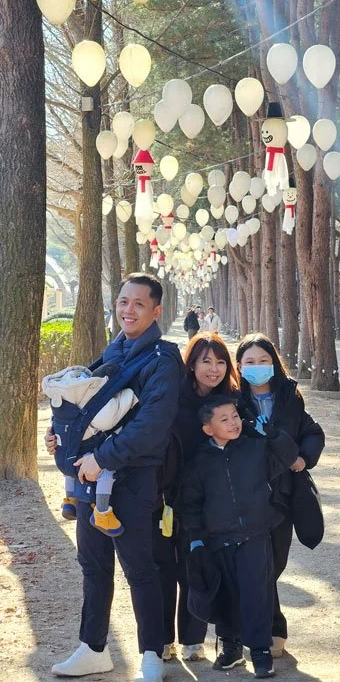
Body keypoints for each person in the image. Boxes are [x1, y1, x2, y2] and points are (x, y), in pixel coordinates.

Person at [47, 273, 184, 682]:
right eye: (123, 302)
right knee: (92, 565)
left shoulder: (162, 360)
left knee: (140, 568)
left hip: (134, 478)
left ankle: (151, 656)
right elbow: (91, 410)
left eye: (138, 304)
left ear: (156, 311)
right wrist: (64, 436)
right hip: (91, 478)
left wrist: (102, 459)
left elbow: (152, 426)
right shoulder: (113, 350)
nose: (128, 310)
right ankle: (92, 648)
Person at [182, 394, 299, 679]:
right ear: (208, 428)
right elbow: (191, 504)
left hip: (255, 536)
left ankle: (260, 651)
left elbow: (287, 457)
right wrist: (196, 540)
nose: (233, 423)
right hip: (218, 540)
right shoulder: (199, 462)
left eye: (235, 416)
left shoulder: (254, 448)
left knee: (256, 593)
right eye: (224, 419)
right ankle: (231, 648)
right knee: (226, 596)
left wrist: (272, 434)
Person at [235, 333, 325, 659]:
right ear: (239, 366)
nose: (257, 367)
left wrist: (304, 457)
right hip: (247, 496)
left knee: (277, 561)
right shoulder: (233, 400)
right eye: (250, 362)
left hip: (283, 495)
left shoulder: (289, 396)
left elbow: (312, 431)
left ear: (273, 363)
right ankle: (271, 627)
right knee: (260, 563)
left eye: (263, 361)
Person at [153, 332, 239, 663]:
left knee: (197, 565)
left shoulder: (231, 402)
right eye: (205, 361)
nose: (213, 369)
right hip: (167, 494)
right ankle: (161, 639)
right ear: (191, 365)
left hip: (210, 500)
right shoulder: (173, 399)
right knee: (163, 567)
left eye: (220, 362)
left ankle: (193, 639)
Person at [42, 363, 138, 535]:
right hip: (85, 457)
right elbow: (123, 403)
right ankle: (102, 512)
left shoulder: (63, 401)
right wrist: (129, 393)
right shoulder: (96, 406)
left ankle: (69, 500)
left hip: (64, 457)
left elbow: (54, 426)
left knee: (69, 468)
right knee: (106, 471)